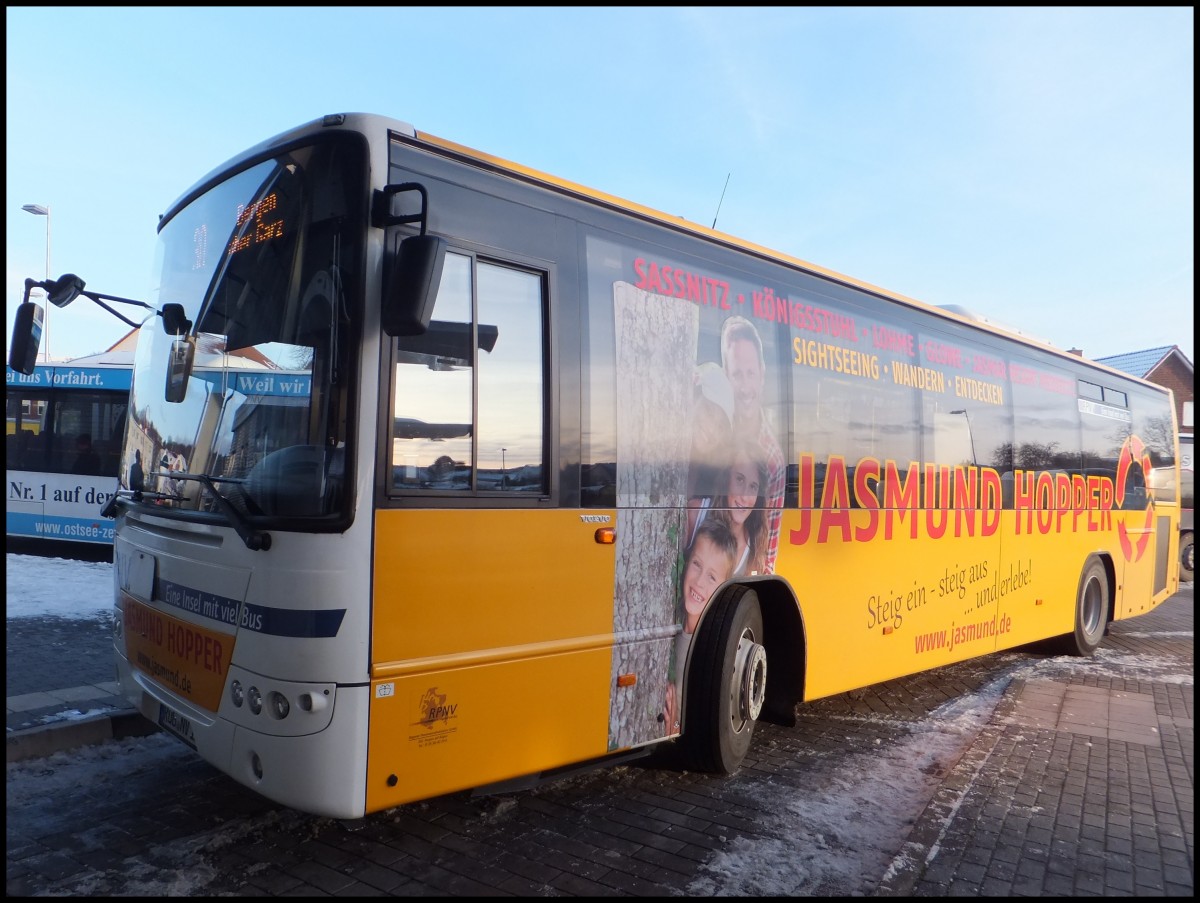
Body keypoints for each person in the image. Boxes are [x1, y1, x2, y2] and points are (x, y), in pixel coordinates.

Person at [721, 315, 785, 573]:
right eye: (737, 374)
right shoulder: (714, 429)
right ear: (726, 375)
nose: (745, 386)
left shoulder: (772, 458)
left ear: (762, 375)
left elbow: (767, 549)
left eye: (750, 373)